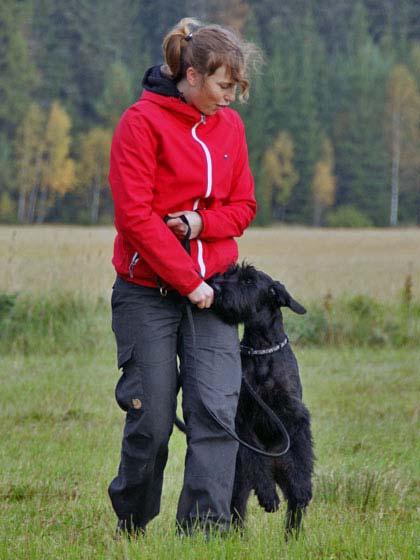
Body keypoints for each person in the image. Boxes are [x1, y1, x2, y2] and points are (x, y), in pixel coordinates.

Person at [108, 17, 258, 537]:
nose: (231, 98)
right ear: (191, 75)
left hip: (214, 291)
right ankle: (132, 521)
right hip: (146, 293)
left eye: (236, 87)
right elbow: (135, 218)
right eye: (223, 86)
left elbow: (243, 207)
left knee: (215, 413)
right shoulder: (139, 123)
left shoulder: (231, 129)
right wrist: (186, 280)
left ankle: (204, 534)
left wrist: (200, 223)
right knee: (149, 421)